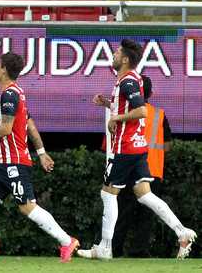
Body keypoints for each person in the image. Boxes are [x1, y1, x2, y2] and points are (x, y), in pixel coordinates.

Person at [78, 39, 196, 260]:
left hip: (126, 146)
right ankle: (182, 232)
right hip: (137, 146)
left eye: (116, 53)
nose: (112, 55)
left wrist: (117, 117)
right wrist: (108, 104)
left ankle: (104, 247)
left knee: (108, 193)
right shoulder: (128, 80)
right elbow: (128, 106)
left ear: (124, 59)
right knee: (144, 195)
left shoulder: (128, 81)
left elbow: (141, 111)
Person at [0, 52, 80, 264]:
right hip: (1, 162)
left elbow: (5, 129)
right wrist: (41, 152)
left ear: (4, 69)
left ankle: (66, 240)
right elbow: (29, 124)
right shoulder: (16, 93)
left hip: (14, 161)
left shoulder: (10, 95)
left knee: (26, 206)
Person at [111, 75, 173, 257]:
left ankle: (114, 249)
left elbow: (113, 142)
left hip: (128, 168)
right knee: (147, 215)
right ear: (151, 93)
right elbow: (167, 145)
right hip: (152, 170)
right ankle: (139, 250)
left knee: (122, 212)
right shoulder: (160, 115)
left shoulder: (125, 113)